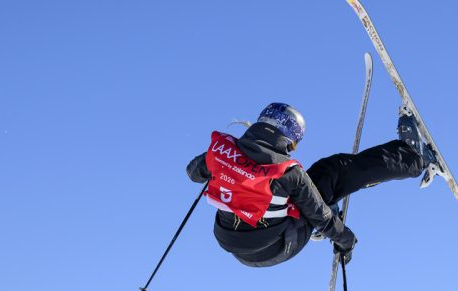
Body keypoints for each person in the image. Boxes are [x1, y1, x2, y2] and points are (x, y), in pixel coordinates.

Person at [185, 102, 439, 268]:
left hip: (235, 246)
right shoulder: (287, 172)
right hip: (278, 247)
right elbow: (321, 216)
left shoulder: (219, 153)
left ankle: (318, 206)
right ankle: (413, 157)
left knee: (308, 189)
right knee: (333, 170)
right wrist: (346, 241)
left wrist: (217, 162)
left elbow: (193, 173)